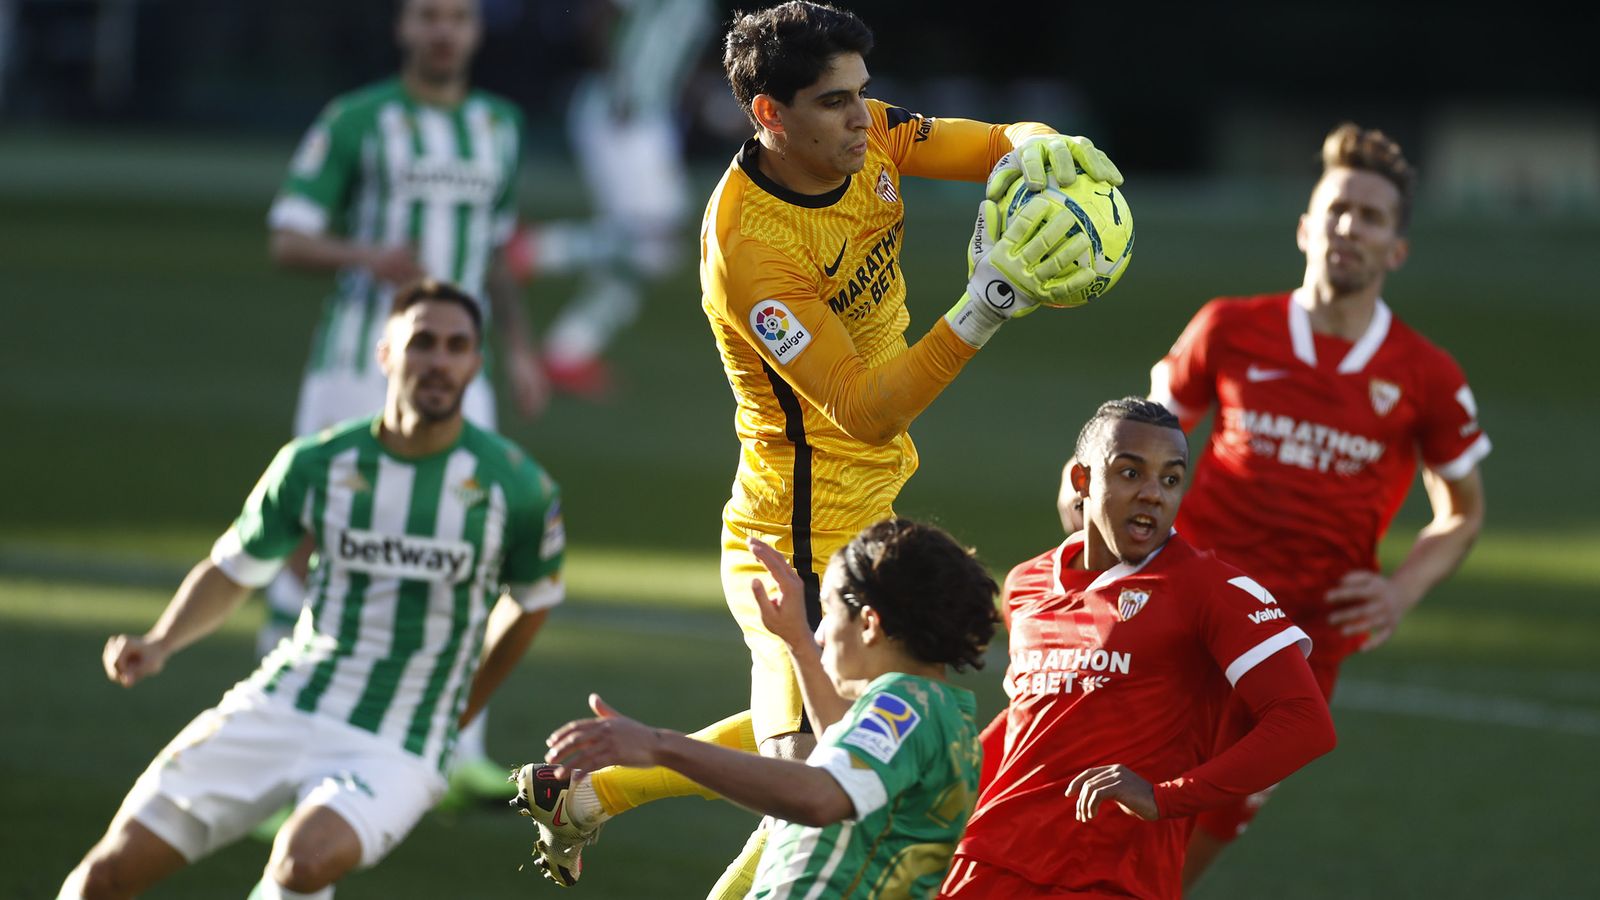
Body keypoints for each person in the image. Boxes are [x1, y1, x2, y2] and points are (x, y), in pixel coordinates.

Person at [513, 1, 1124, 892]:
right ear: (769, 114)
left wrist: (1042, 145)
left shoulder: (864, 135)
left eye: (862, 94)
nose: (861, 117)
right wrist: (984, 306)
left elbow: (991, 142)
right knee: (810, 783)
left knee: (840, 744)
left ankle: (588, 796)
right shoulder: (751, 249)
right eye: (836, 102)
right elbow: (864, 411)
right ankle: (597, 795)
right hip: (795, 538)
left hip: (865, 504)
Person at [59, 281, 566, 900]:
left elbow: (532, 602)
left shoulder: (518, 487)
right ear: (385, 354)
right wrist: (161, 641)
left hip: (399, 738)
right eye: (422, 343)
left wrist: (460, 710)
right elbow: (235, 568)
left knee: (304, 859)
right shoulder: (315, 463)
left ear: (476, 364)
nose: (439, 360)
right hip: (284, 700)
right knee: (104, 876)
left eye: (457, 346)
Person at [1145, 123, 1490, 886]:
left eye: (1370, 217)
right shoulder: (1229, 327)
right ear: (1306, 227)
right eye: (1336, 210)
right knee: (1107, 804)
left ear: (1396, 249)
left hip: (1301, 648)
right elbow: (1148, 434)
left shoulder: (1427, 376)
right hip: (1183, 609)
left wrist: (1400, 591)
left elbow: (1463, 513)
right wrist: (1104, 492)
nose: (1349, 228)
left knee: (1203, 834)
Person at [263, 0, 546, 801]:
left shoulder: (500, 127)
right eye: (428, 16)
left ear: (477, 31)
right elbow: (288, 236)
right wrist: (365, 253)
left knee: (474, 548)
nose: (443, 31)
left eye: (457, 17)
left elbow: (494, 251)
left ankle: (455, 750)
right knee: (311, 547)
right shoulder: (357, 119)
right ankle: (279, 767)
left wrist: (519, 348)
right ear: (404, 29)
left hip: (462, 374)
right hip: (358, 364)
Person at [942, 398, 1337, 899]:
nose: (1153, 494)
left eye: (1170, 479)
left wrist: (1165, 797)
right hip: (982, 864)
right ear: (1082, 481)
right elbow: (1032, 717)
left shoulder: (1208, 589)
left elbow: (1305, 722)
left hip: (1109, 881)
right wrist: (942, 783)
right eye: (1131, 473)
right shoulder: (1026, 583)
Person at [521, 518, 1000, 897]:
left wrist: (662, 746)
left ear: (870, 624)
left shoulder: (903, 708)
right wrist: (796, 641)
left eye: (829, 611)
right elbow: (838, 750)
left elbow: (819, 794)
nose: (820, 632)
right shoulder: (939, 713)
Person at [506, 0, 715, 396]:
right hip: (622, 112)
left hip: (649, 118)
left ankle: (568, 353)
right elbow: (599, 12)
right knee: (656, 246)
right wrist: (618, 80)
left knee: (649, 252)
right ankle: (535, 250)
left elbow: (673, 53)